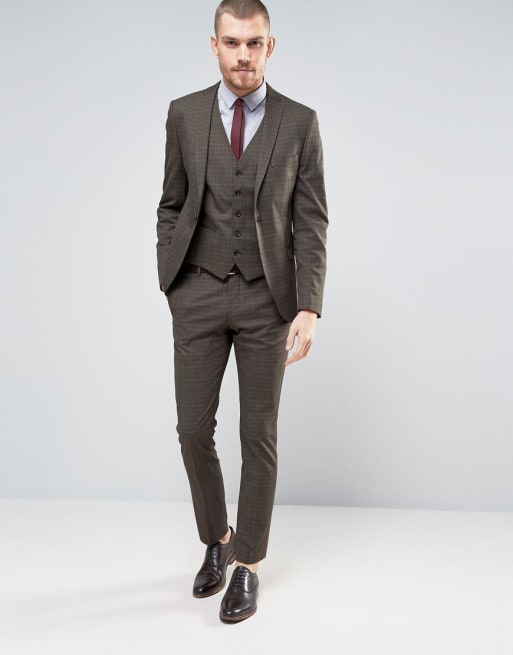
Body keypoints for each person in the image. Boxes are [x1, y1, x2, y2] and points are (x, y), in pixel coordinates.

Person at [156, 0, 328, 623]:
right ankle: (218, 539)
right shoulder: (184, 114)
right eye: (232, 42)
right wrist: (172, 280)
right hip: (197, 292)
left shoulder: (299, 122)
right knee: (192, 429)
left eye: (254, 43)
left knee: (258, 435)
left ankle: (248, 565)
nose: (243, 55)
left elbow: (311, 219)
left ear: (269, 46)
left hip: (266, 299)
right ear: (215, 45)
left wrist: (308, 305)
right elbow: (171, 203)